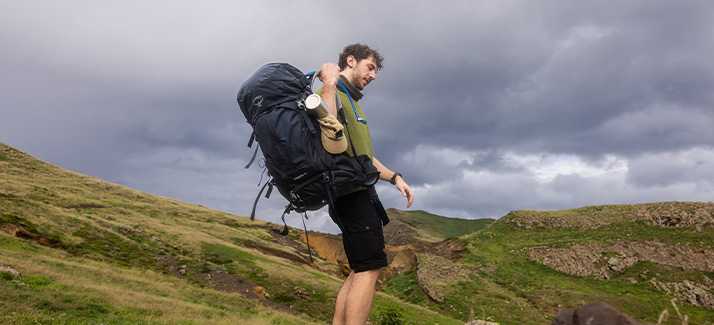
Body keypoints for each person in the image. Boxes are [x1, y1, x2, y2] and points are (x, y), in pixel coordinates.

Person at [316, 43, 414, 325]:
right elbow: (329, 131)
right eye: (370, 67)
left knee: (359, 267)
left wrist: (395, 177)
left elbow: (365, 157)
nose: (373, 75)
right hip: (350, 193)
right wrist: (329, 85)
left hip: (355, 191)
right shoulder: (329, 92)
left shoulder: (352, 102)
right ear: (351, 61)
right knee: (370, 268)